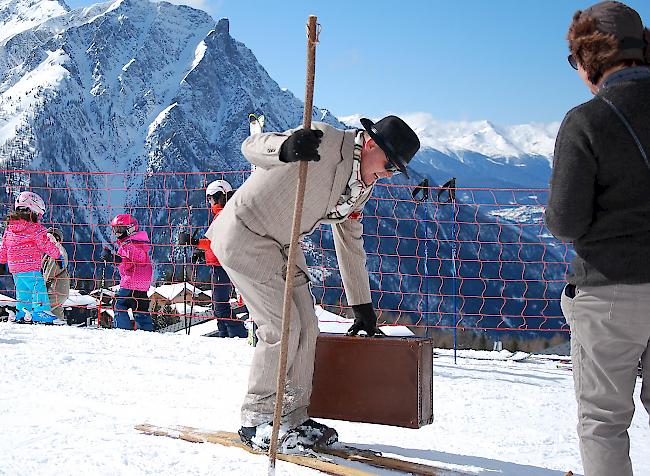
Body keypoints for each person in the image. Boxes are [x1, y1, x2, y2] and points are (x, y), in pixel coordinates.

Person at [206, 115, 420, 448]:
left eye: (396, 170)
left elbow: (350, 240)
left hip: (283, 244)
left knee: (308, 324)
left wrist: (361, 307)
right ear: (372, 144)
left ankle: (292, 416)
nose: (389, 174)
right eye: (390, 164)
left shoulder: (362, 187)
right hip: (245, 234)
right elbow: (251, 146)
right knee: (281, 327)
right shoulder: (326, 138)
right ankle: (257, 419)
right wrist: (286, 148)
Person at [545, 3, 650, 475]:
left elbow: (565, 221)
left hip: (611, 293)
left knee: (605, 419)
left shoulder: (587, 120)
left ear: (590, 59)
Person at [179, 179, 247, 338]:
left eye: (210, 198)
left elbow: (216, 241)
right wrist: (203, 253)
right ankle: (225, 335)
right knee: (219, 306)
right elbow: (219, 243)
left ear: (219, 196)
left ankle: (238, 333)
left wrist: (194, 242)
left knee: (220, 306)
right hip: (221, 263)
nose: (209, 202)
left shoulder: (224, 215)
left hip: (221, 266)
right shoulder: (225, 214)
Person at [0, 191, 64, 324]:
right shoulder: (36, 229)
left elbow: (4, 247)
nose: (39, 218)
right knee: (38, 287)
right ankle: (41, 311)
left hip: (15, 268)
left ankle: (22, 312)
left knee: (22, 290)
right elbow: (45, 245)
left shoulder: (9, 228)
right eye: (38, 215)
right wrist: (57, 255)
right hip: (30, 266)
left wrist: (1, 262)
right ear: (32, 212)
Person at [101, 214, 154, 331]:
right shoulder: (141, 242)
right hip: (143, 285)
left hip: (131, 282)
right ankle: (148, 334)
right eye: (115, 230)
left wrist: (116, 258)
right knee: (141, 311)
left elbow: (136, 259)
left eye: (120, 230)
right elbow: (133, 261)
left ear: (130, 229)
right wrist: (116, 259)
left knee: (119, 304)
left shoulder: (128, 244)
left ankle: (123, 331)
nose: (117, 234)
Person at [42, 227, 70, 322]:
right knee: (57, 312)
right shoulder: (55, 251)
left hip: (56, 289)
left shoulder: (57, 250)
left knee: (42, 307)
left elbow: (49, 273)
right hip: (61, 289)